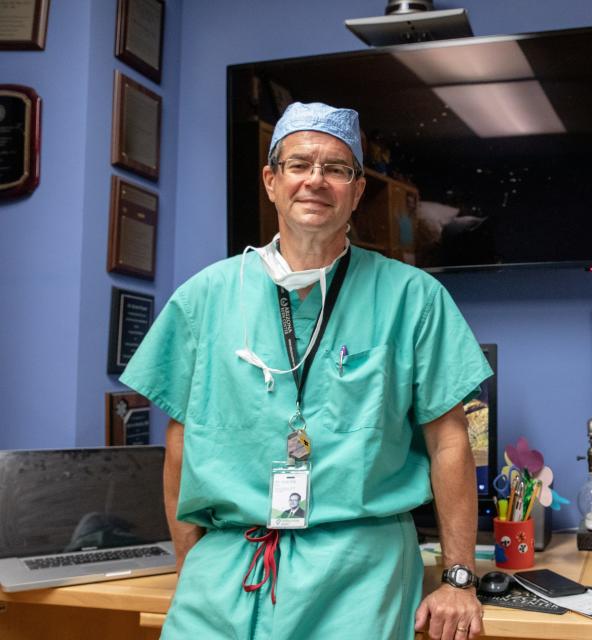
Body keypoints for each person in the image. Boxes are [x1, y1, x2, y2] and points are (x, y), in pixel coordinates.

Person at [120, 102, 492, 640]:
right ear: (271, 181)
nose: (315, 180)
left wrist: (460, 578)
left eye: (337, 168)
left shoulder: (413, 297)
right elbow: (181, 444)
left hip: (359, 571)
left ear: (357, 192)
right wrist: (192, 569)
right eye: (299, 164)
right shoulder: (205, 298)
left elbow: (450, 443)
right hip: (226, 569)